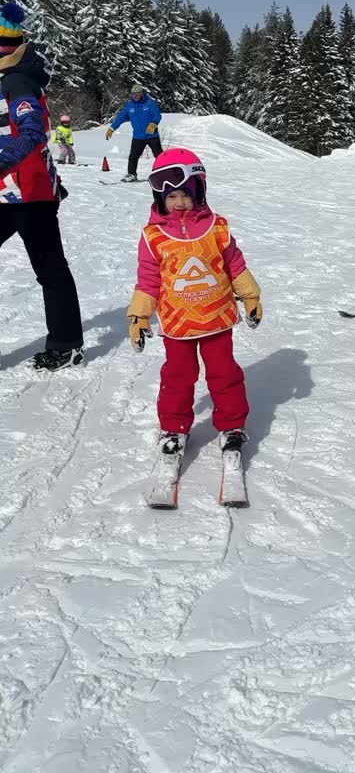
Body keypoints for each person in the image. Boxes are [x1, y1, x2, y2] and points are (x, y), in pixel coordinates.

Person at [126, 147, 262, 488]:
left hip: (216, 319)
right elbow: (148, 280)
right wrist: (139, 317)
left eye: (186, 194)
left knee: (224, 374)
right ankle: (173, 429)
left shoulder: (217, 228)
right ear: (160, 198)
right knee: (177, 377)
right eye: (171, 196)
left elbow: (235, 265)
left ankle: (231, 426)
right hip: (177, 325)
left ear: (199, 190)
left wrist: (251, 296)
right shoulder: (153, 237)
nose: (179, 202)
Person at [0, 2, 84, 370]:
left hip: (23, 195)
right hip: (24, 190)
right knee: (52, 267)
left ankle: (66, 345)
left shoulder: (16, 80)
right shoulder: (13, 75)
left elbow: (32, 131)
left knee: (50, 267)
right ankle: (67, 343)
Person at [106, 84, 162, 182]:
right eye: (133, 94)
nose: (135, 96)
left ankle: (165, 172)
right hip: (138, 136)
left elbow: (157, 115)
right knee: (133, 156)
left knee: (159, 155)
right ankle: (132, 174)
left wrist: (153, 123)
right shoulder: (129, 106)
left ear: (141, 93)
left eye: (137, 93)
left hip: (151, 134)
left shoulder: (149, 103)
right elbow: (120, 118)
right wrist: (112, 128)